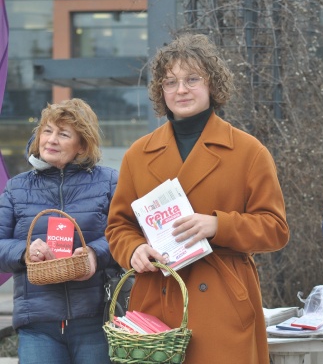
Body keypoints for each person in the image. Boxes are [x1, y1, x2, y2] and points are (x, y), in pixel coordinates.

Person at [105, 33, 290, 363]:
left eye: (192, 79)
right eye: (170, 82)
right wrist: (133, 250)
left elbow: (275, 229)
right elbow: (118, 226)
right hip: (155, 303)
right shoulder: (138, 154)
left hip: (222, 300)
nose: (181, 90)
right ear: (161, 91)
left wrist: (218, 225)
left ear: (212, 85)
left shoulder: (249, 152)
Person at [0, 98, 119, 364]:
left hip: (95, 320)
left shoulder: (109, 181)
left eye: (63, 134)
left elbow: (126, 235)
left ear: (81, 146)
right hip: (38, 324)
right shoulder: (16, 188)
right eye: (47, 131)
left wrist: (94, 253)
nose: (51, 140)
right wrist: (24, 252)